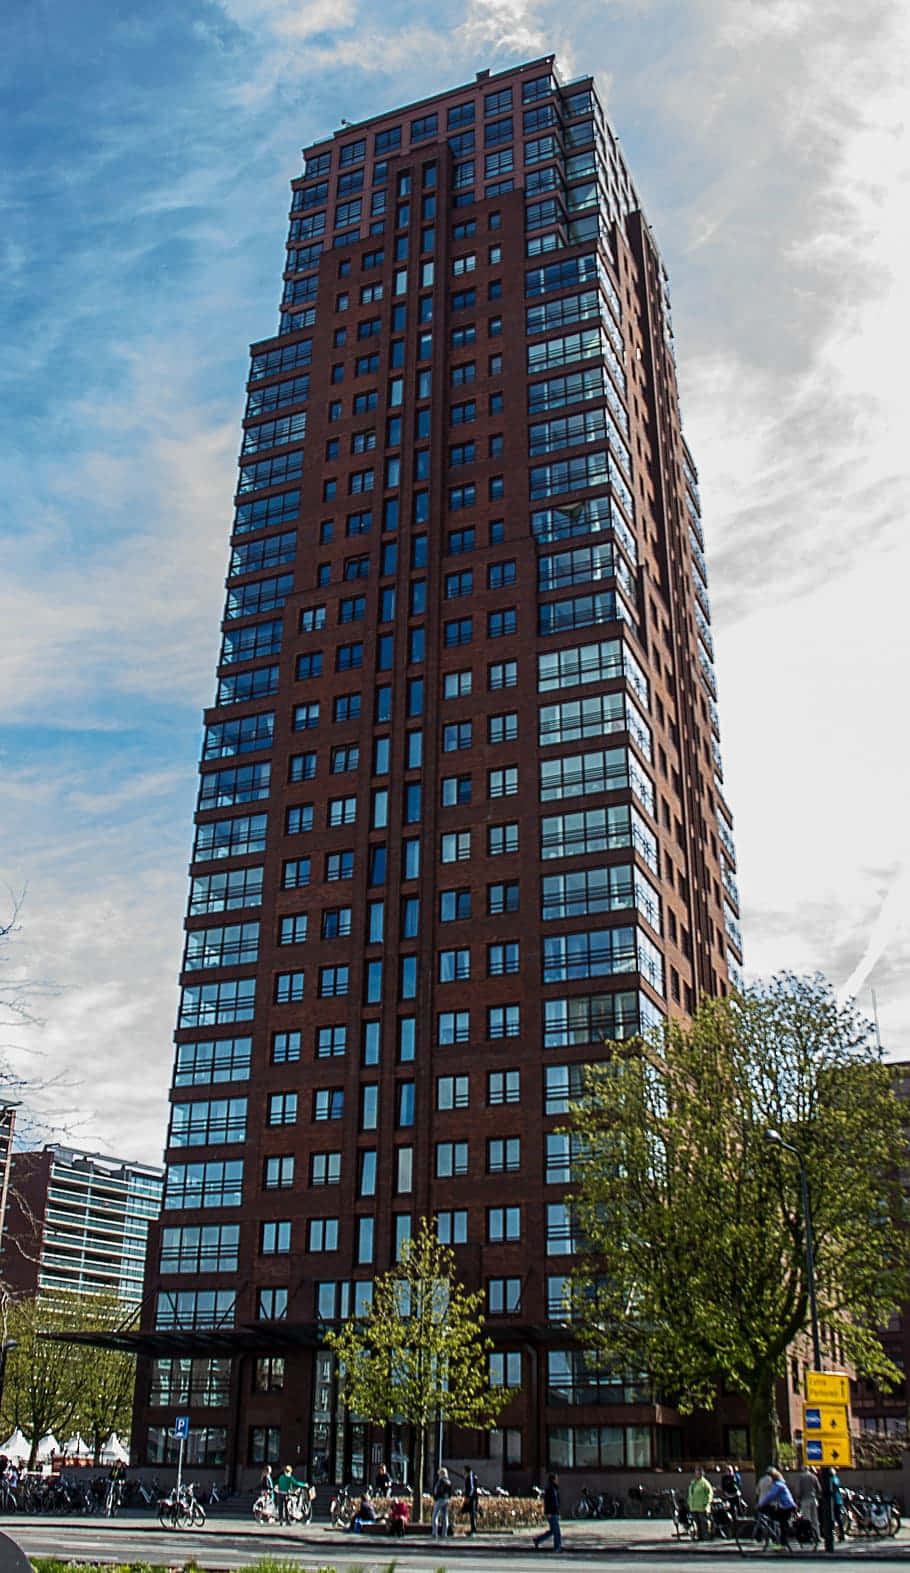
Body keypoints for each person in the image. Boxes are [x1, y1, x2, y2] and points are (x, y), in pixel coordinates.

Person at [758, 1467, 797, 1549]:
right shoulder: (780, 1484)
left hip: (787, 1507)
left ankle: (783, 1544)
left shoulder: (778, 1485)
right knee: (782, 1523)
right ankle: (782, 1543)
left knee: (781, 1522)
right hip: (787, 1506)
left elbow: (770, 1496)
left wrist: (761, 1504)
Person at [534, 1472, 562, 1552]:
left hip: (555, 1512)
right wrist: (548, 1513)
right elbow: (548, 1502)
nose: (558, 1480)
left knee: (553, 1531)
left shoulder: (555, 1489)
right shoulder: (550, 1489)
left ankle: (538, 1540)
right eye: (556, 1479)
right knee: (556, 1532)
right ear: (553, 1480)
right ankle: (557, 1547)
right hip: (551, 1513)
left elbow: (557, 1502)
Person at [688, 1466, 714, 1540]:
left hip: (702, 1507)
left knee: (704, 1524)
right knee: (697, 1523)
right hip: (694, 1507)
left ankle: (706, 1537)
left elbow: (709, 1494)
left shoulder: (704, 1483)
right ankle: (699, 1537)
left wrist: (706, 1503)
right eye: (696, 1472)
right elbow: (691, 1494)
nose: (697, 1474)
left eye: (699, 1472)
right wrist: (689, 1502)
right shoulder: (693, 1482)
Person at [795, 1466, 820, 1534]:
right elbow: (819, 1489)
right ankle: (817, 1534)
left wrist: (797, 1499)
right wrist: (817, 1496)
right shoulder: (814, 1476)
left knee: (807, 1518)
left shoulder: (800, 1477)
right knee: (815, 1518)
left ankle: (809, 1534)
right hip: (813, 1498)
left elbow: (798, 1490)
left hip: (805, 1499)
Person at [431, 1466, 452, 1539]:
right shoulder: (449, 1481)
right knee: (445, 1517)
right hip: (446, 1500)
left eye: (439, 1474)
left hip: (440, 1499)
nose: (438, 1475)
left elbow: (438, 1491)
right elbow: (450, 1492)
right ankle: (444, 1533)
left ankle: (435, 1533)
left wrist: (436, 1497)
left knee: (434, 1516)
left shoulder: (441, 1481)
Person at [462, 1463, 480, 1535]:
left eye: (464, 1471)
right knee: (471, 1512)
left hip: (472, 1498)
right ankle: (473, 1528)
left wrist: (468, 1497)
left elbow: (472, 1488)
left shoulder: (471, 1476)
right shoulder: (471, 1476)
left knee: (472, 1512)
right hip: (472, 1497)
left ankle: (473, 1529)